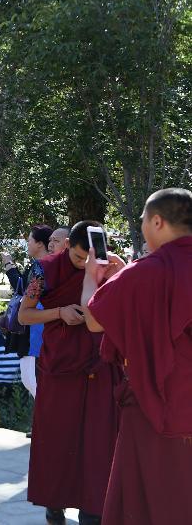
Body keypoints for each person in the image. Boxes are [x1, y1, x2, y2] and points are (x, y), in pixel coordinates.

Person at [82, 188, 192, 524]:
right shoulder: (141, 272)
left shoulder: (146, 271)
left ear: (157, 221)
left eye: (144, 219)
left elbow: (94, 319)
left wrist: (92, 278)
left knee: (152, 503)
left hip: (161, 404)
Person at [18, 221, 121, 525]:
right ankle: (55, 506)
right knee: (57, 439)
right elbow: (24, 315)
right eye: (77, 258)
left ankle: (93, 511)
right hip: (60, 367)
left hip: (100, 363)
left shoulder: (107, 267)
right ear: (66, 247)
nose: (83, 265)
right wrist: (59, 312)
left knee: (98, 441)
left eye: (88, 258)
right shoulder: (44, 269)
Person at [4, 225, 53, 399]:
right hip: (32, 335)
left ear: (40, 244)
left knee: (36, 385)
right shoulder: (38, 267)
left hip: (36, 337)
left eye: (30, 240)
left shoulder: (43, 268)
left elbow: (25, 293)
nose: (27, 243)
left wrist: (9, 267)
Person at [0, 314, 29, 431]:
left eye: (7, 326)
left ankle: (20, 429)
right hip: (0, 381)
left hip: (18, 380)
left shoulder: (18, 334)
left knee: (21, 408)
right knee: (3, 408)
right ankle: (7, 430)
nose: (5, 328)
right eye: (2, 326)